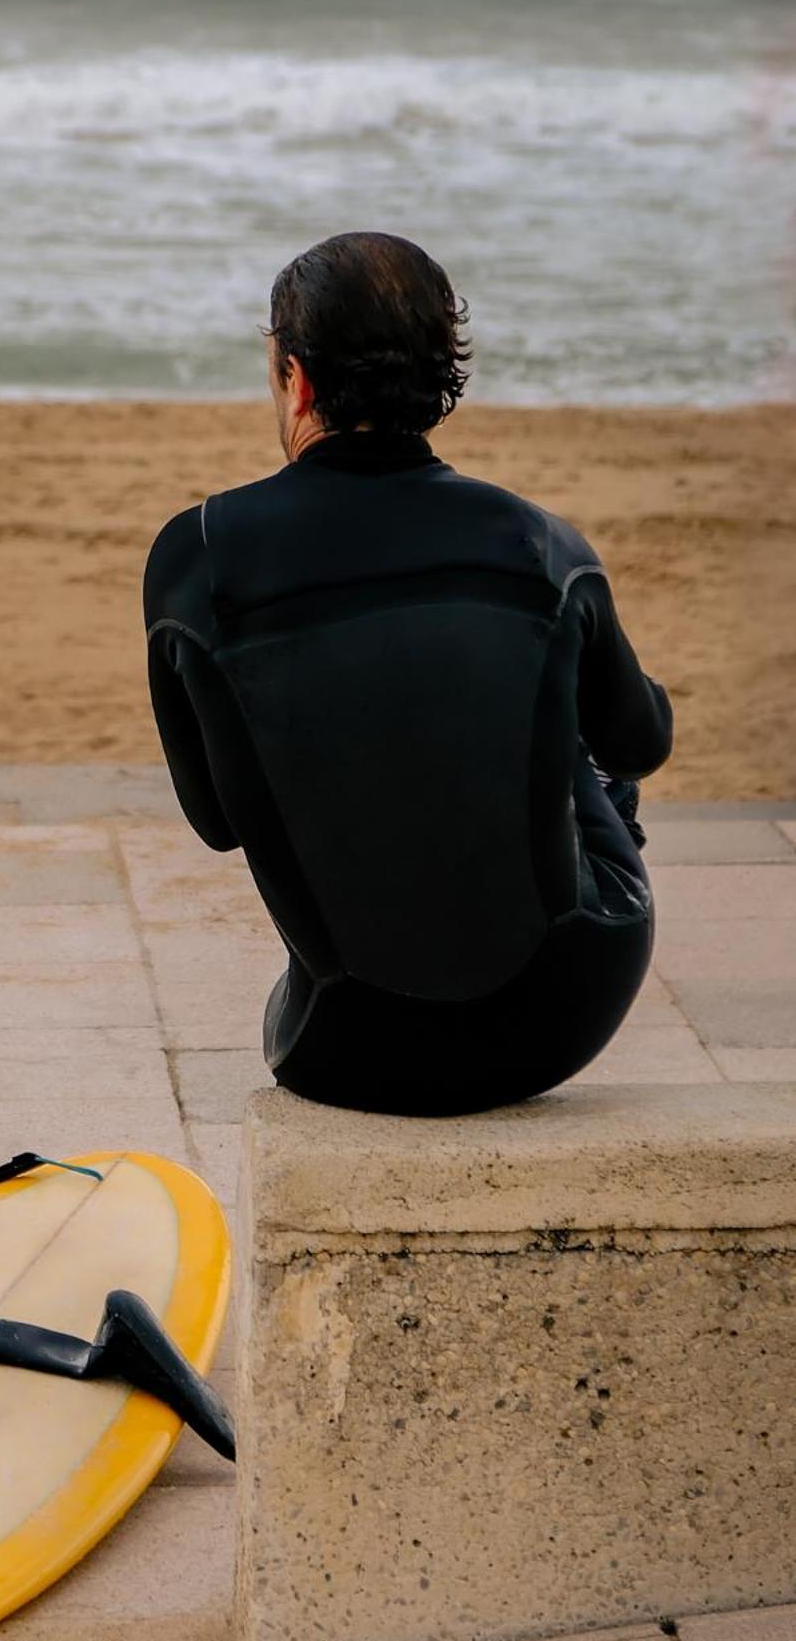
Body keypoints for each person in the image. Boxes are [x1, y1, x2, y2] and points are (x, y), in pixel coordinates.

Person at [142, 231, 673, 1116]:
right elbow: (641, 744)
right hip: (561, 1013)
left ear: (297, 379)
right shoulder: (541, 545)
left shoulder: (196, 556)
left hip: (346, 1044)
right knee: (566, 709)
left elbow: (216, 821)